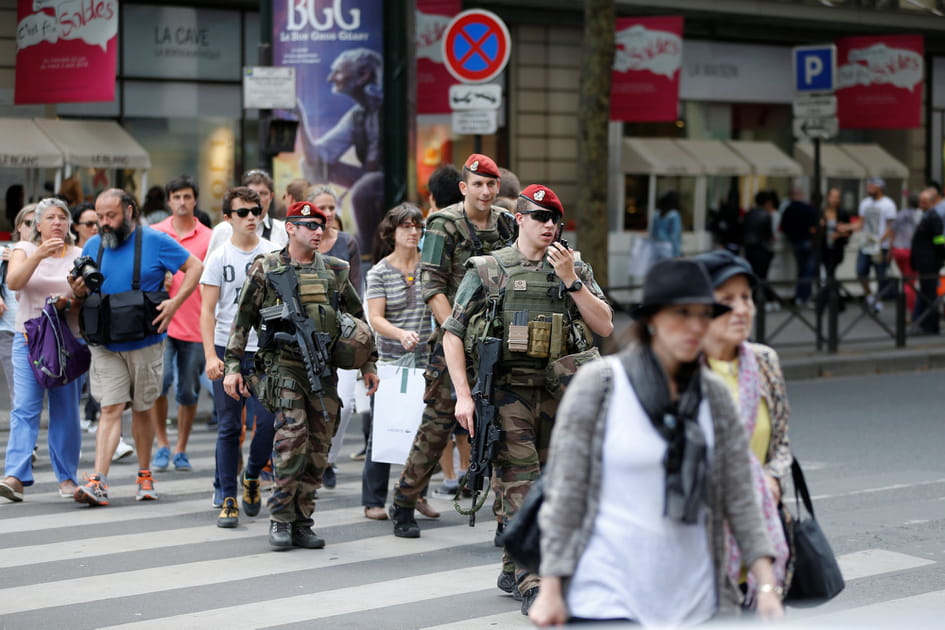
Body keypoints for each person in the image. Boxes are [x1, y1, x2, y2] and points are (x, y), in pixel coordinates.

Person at [529, 258, 783, 627]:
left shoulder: (713, 395)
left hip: (697, 600)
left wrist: (767, 586)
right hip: (607, 597)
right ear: (652, 321)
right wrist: (551, 587)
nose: (695, 327)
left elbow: (740, 494)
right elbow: (567, 493)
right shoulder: (600, 385)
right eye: (681, 314)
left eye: (703, 315)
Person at [444, 184, 613, 614]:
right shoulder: (488, 269)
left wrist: (572, 281)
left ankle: (512, 562)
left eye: (555, 219)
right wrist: (463, 396)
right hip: (507, 394)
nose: (549, 226)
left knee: (553, 488)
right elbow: (454, 333)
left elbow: (605, 326)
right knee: (522, 485)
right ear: (519, 218)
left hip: (560, 394)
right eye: (540, 217)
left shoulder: (574, 268)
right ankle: (533, 579)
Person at [223, 200, 379, 550]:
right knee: (292, 441)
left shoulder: (335, 270)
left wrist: (369, 363)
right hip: (283, 367)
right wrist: (233, 367)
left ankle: (302, 520)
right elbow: (243, 319)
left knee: (319, 447)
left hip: (323, 370)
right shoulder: (268, 267)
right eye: (309, 225)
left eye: (321, 225)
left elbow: (358, 317)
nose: (318, 231)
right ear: (290, 228)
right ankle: (280, 517)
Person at [390, 153, 517, 538]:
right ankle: (404, 502)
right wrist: (457, 334)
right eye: (477, 184)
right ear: (464, 188)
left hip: (496, 344)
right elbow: (432, 286)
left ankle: (504, 518)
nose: (485, 191)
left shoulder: (508, 224)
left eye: (491, 184)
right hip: (453, 342)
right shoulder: (444, 224)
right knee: (437, 426)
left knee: (500, 429)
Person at [70, 189, 202, 506]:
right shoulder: (92, 245)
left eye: (110, 216)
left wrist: (174, 304)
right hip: (106, 343)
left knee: (142, 408)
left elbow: (195, 267)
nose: (104, 223)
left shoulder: (155, 241)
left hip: (146, 341)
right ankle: (98, 481)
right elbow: (78, 291)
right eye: (100, 217)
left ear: (129, 211)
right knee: (110, 408)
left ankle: (144, 474)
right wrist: (75, 289)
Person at [693, 249, 791, 601]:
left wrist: (772, 476)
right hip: (696, 551)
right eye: (727, 299)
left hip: (759, 543)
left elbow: (781, 441)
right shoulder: (680, 371)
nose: (742, 309)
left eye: (746, 297)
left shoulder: (764, 362)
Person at [201, 186, 277, 528]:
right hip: (225, 349)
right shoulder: (219, 257)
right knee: (229, 426)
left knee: (269, 422)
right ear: (228, 217)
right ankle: (228, 498)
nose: (251, 217)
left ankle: (252, 475)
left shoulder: (274, 253)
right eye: (243, 212)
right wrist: (209, 357)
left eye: (256, 210)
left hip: (264, 351)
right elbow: (206, 312)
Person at [0, 198, 83, 502]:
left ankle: (68, 479)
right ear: (38, 225)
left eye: (63, 217)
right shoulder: (24, 250)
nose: (57, 222)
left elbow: (85, 295)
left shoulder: (78, 253)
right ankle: (15, 476)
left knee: (66, 411)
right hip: (28, 339)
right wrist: (39, 255)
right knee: (25, 407)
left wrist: (74, 299)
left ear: (69, 224)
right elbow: (14, 281)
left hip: (67, 341)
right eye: (50, 217)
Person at [361, 204, 434, 520]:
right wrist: (401, 333)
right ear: (392, 232)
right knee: (384, 429)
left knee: (426, 432)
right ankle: (373, 500)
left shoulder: (429, 268)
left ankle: (418, 494)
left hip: (426, 361)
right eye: (406, 226)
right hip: (390, 362)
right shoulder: (379, 271)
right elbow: (375, 317)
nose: (413, 232)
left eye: (417, 226)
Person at [151, 176, 213, 473]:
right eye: (176, 197)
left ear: (195, 200)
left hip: (196, 323)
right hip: (161, 321)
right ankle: (162, 443)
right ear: (169, 200)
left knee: (188, 390)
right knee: (159, 384)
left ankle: (181, 448)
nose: (182, 202)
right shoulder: (155, 233)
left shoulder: (209, 237)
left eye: (187, 197)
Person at [298, 48, 384, 253]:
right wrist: (301, 118)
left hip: (382, 180)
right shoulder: (358, 115)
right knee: (307, 163)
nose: (331, 78)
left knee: (363, 189)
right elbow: (318, 157)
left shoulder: (385, 107)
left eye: (337, 72)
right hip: (370, 176)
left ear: (363, 75)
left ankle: (367, 251)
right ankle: (318, 221)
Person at [308, 185, 363, 490]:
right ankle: (311, 457)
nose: (327, 214)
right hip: (306, 336)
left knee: (345, 404)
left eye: (331, 208)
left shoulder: (346, 243)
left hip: (341, 334)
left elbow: (355, 294)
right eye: (322, 208)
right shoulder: (302, 241)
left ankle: (328, 456)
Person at [422, 164, 471, 496]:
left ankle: (451, 476)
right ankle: (466, 473)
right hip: (470, 332)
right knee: (464, 416)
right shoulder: (473, 227)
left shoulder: (435, 229)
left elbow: (431, 288)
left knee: (439, 417)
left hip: (442, 337)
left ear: (431, 198)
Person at [207, 170, 288, 254]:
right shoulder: (222, 230)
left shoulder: (282, 230)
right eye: (251, 193)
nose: (258, 198)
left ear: (271, 196)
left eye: (263, 193)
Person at [0, 206, 34, 403]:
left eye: (35, 223)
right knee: (18, 391)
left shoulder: (50, 253)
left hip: (42, 330)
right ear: (18, 226)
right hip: (10, 328)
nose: (32, 228)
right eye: (27, 223)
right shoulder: (4, 253)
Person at [856, 177, 897, 312]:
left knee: (880, 275)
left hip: (881, 247)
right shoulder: (865, 203)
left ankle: (878, 300)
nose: (869, 189)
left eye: (871, 186)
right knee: (861, 271)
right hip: (866, 245)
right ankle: (870, 297)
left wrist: (885, 244)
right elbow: (860, 223)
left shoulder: (888, 204)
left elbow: (891, 228)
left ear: (879, 188)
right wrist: (847, 227)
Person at [910, 188, 945, 335]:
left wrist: (941, 256)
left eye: (923, 202)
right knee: (926, 293)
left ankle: (930, 325)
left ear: (931, 202)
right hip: (925, 261)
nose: (920, 205)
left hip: (930, 262)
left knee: (930, 294)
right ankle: (925, 323)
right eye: (920, 202)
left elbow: (939, 240)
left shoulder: (933, 217)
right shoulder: (928, 215)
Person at [815, 187, 854, 314]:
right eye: (833, 197)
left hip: (836, 249)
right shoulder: (822, 212)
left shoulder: (842, 213)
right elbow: (815, 231)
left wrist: (839, 235)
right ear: (828, 198)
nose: (835, 200)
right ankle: (838, 303)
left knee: (830, 274)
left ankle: (822, 303)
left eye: (837, 197)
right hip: (825, 249)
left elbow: (849, 232)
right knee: (830, 275)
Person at [780, 186, 818, 306]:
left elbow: (783, 227)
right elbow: (814, 228)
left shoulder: (788, 209)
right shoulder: (808, 209)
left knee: (802, 269)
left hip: (795, 242)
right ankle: (805, 296)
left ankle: (799, 296)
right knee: (807, 271)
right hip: (807, 241)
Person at [741, 190, 779, 308]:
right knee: (762, 276)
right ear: (767, 203)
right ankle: (762, 299)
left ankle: (754, 299)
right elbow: (768, 235)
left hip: (749, 249)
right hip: (762, 249)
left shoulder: (749, 213)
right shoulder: (766, 215)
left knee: (753, 275)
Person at [890, 194, 921, 316]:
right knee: (910, 282)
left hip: (898, 249)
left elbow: (893, 231)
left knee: (905, 278)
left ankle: (905, 309)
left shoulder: (901, 213)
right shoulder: (920, 215)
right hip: (911, 250)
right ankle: (910, 312)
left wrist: (890, 250)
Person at [651, 190, 683, 259]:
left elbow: (653, 232)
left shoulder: (656, 214)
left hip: (656, 245)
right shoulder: (674, 214)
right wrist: (677, 253)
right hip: (668, 246)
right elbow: (674, 235)